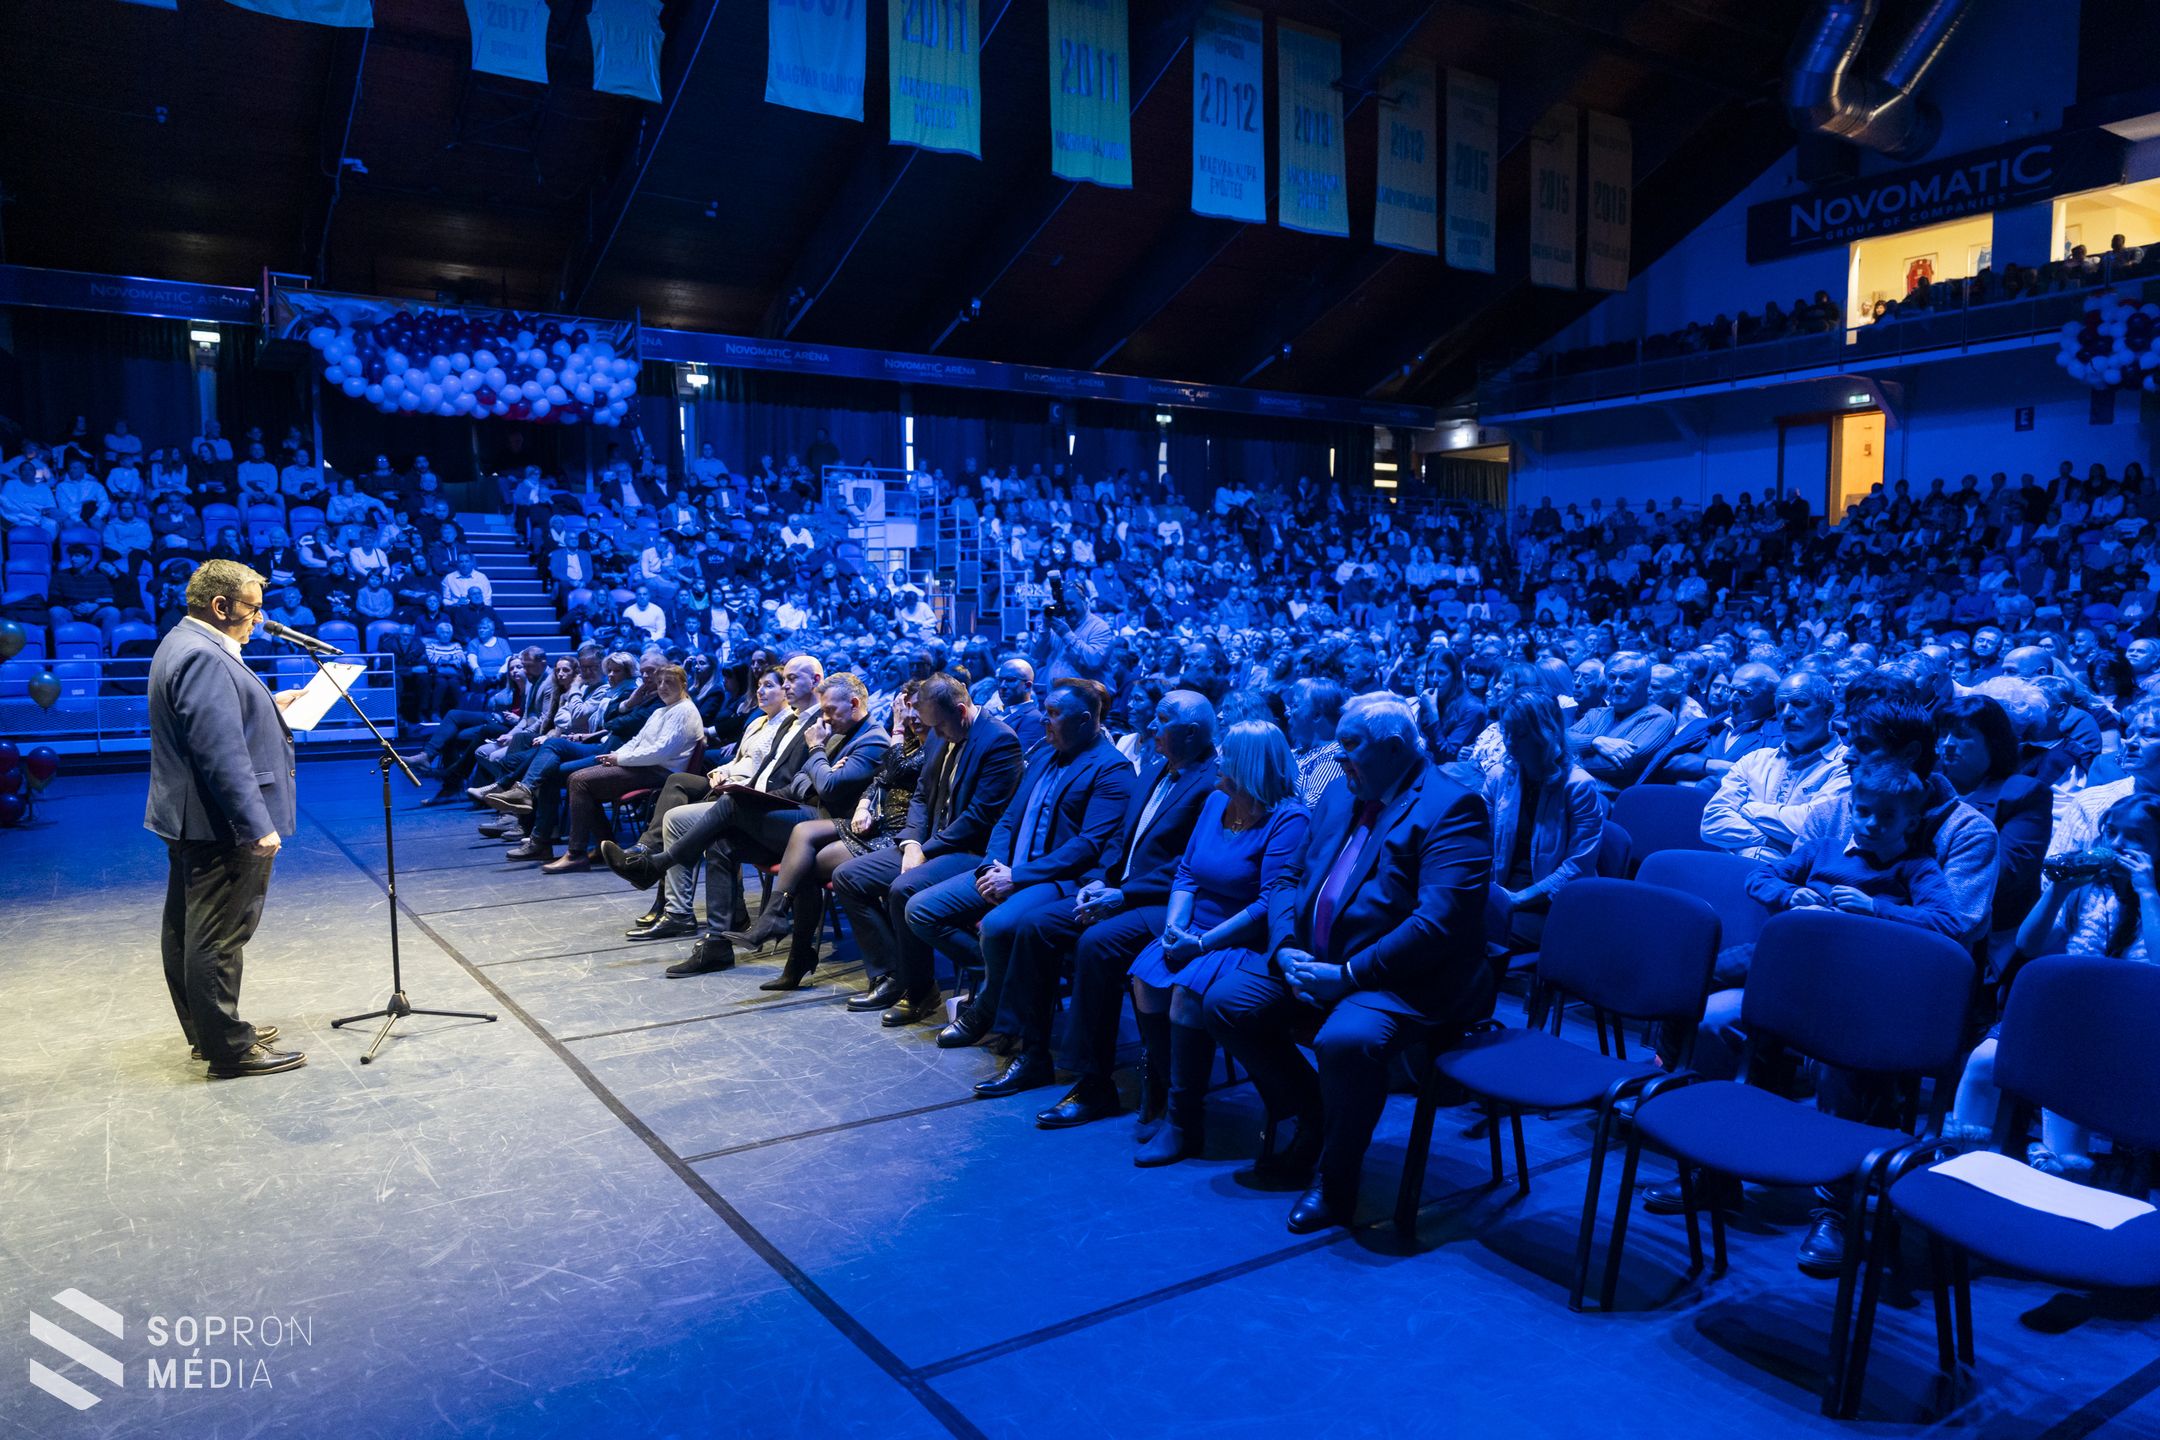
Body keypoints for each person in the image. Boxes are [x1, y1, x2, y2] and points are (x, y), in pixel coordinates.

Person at [1203, 692, 1493, 1233]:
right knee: (1225, 1003)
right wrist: (1285, 944)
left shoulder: (1453, 808)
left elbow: (1437, 926)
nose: (1338, 755)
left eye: (1352, 745)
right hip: (1317, 961)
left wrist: (1349, 977)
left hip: (1404, 980)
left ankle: (1336, 1181)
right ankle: (1315, 1117)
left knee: (1346, 1041)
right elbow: (1288, 878)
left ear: (1393, 748)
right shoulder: (1340, 793)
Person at [907, 679, 1136, 1086]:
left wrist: (1019, 876)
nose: (1044, 722)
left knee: (997, 926)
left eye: (1053, 714)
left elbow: (1087, 846)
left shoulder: (1112, 768)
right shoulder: (1047, 753)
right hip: (1008, 869)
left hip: (1058, 879)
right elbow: (1008, 818)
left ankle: (987, 1008)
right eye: (1045, 712)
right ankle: (1001, 987)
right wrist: (993, 866)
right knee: (921, 909)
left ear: (1085, 720)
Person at [1019, 691, 1223, 1132]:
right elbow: (1120, 841)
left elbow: (1189, 866)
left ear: (1191, 733)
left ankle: (1094, 1084)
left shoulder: (1212, 783)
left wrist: (1123, 896)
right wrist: (1099, 879)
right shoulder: (1153, 770)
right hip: (1121, 890)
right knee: (1038, 925)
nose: (1150, 727)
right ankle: (1031, 1054)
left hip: (1168, 906)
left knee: (1097, 944)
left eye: (1162, 720)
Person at [144, 559, 305, 1079]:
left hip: (191, 815)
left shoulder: (183, 643)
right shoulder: (206, 655)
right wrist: (256, 824)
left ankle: (208, 1032)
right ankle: (228, 1050)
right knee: (218, 934)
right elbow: (219, 751)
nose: (259, 618)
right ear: (221, 606)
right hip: (220, 822)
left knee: (188, 927)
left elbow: (216, 723)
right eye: (253, 608)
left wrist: (268, 707)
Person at [613, 671, 887, 976]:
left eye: (831, 710)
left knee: (733, 804)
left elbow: (831, 788)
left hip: (831, 827)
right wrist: (820, 772)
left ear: (853, 703)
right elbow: (802, 780)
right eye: (823, 711)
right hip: (804, 813)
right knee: (723, 841)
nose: (825, 718)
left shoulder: (872, 738)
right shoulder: (839, 731)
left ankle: (658, 864)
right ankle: (716, 944)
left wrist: (817, 754)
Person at [1122, 720, 1308, 1165]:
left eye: (1227, 753)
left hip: (1244, 937)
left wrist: (1200, 944)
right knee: (1145, 981)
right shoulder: (1216, 801)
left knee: (1186, 995)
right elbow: (1186, 873)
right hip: (1196, 926)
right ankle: (1163, 1092)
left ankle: (1185, 1122)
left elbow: (1267, 904)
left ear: (1250, 764)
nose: (1217, 759)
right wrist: (1174, 927)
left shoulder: (1289, 818)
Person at [830, 673, 1024, 1027]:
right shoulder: (939, 732)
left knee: (904, 888)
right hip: (929, 844)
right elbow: (921, 795)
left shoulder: (999, 742)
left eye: (940, 726)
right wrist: (912, 843)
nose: (934, 733)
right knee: (847, 876)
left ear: (962, 712)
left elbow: (980, 817)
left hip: (971, 851)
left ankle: (920, 991)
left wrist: (925, 850)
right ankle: (893, 975)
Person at [731, 681, 931, 991]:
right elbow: (875, 779)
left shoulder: (925, 741)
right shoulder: (905, 740)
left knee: (810, 864)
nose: (909, 714)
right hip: (873, 820)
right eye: (905, 708)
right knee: (802, 838)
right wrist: (864, 802)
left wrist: (894, 728)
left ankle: (795, 947)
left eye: (915, 708)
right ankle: (783, 933)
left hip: (899, 832)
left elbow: (870, 775)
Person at [547, 665, 704, 874]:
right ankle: (604, 848)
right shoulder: (660, 710)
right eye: (660, 683)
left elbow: (661, 752)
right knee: (579, 781)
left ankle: (576, 854)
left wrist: (620, 758)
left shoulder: (685, 710)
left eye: (669, 682)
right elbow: (637, 741)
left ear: (683, 684)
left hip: (662, 773)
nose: (663, 687)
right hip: (645, 767)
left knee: (579, 780)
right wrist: (616, 756)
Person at [1484, 691, 1607, 952]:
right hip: (1500, 891)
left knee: (1471, 930)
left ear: (1544, 733)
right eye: (1506, 731)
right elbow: (1478, 841)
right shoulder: (1499, 776)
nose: (1509, 742)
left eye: (1520, 734)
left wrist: (1517, 899)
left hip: (1551, 904)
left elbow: (1577, 867)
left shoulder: (1578, 786)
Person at [1699, 672, 1848, 860]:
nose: (1786, 714)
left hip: (1789, 882)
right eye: (1780, 706)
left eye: (1800, 703)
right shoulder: (1754, 760)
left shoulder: (1846, 765)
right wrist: (1768, 840)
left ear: (1827, 710)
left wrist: (1749, 808)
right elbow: (1711, 822)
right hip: (1729, 868)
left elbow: (1813, 829)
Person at [1565, 650, 1675, 794]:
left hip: (1607, 801)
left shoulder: (1660, 718)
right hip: (1570, 790)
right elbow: (1563, 738)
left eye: (1626, 678)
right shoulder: (1597, 713)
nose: (1617, 684)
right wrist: (1595, 741)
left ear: (1645, 682)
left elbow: (1616, 765)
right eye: (1611, 678)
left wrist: (1566, 760)